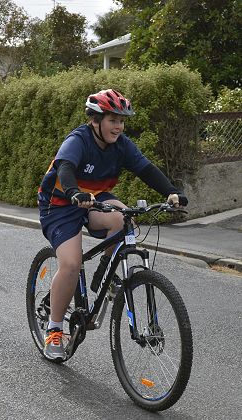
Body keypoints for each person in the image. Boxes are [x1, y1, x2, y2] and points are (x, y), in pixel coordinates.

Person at [37, 88, 187, 362]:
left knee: (124, 219)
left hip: (95, 198)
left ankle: (105, 277)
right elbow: (65, 168)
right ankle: (54, 329)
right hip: (60, 202)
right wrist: (73, 192)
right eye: (112, 120)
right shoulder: (78, 140)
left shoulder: (122, 145)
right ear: (96, 120)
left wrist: (171, 191)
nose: (118, 126)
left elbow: (146, 169)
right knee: (70, 264)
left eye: (121, 121)